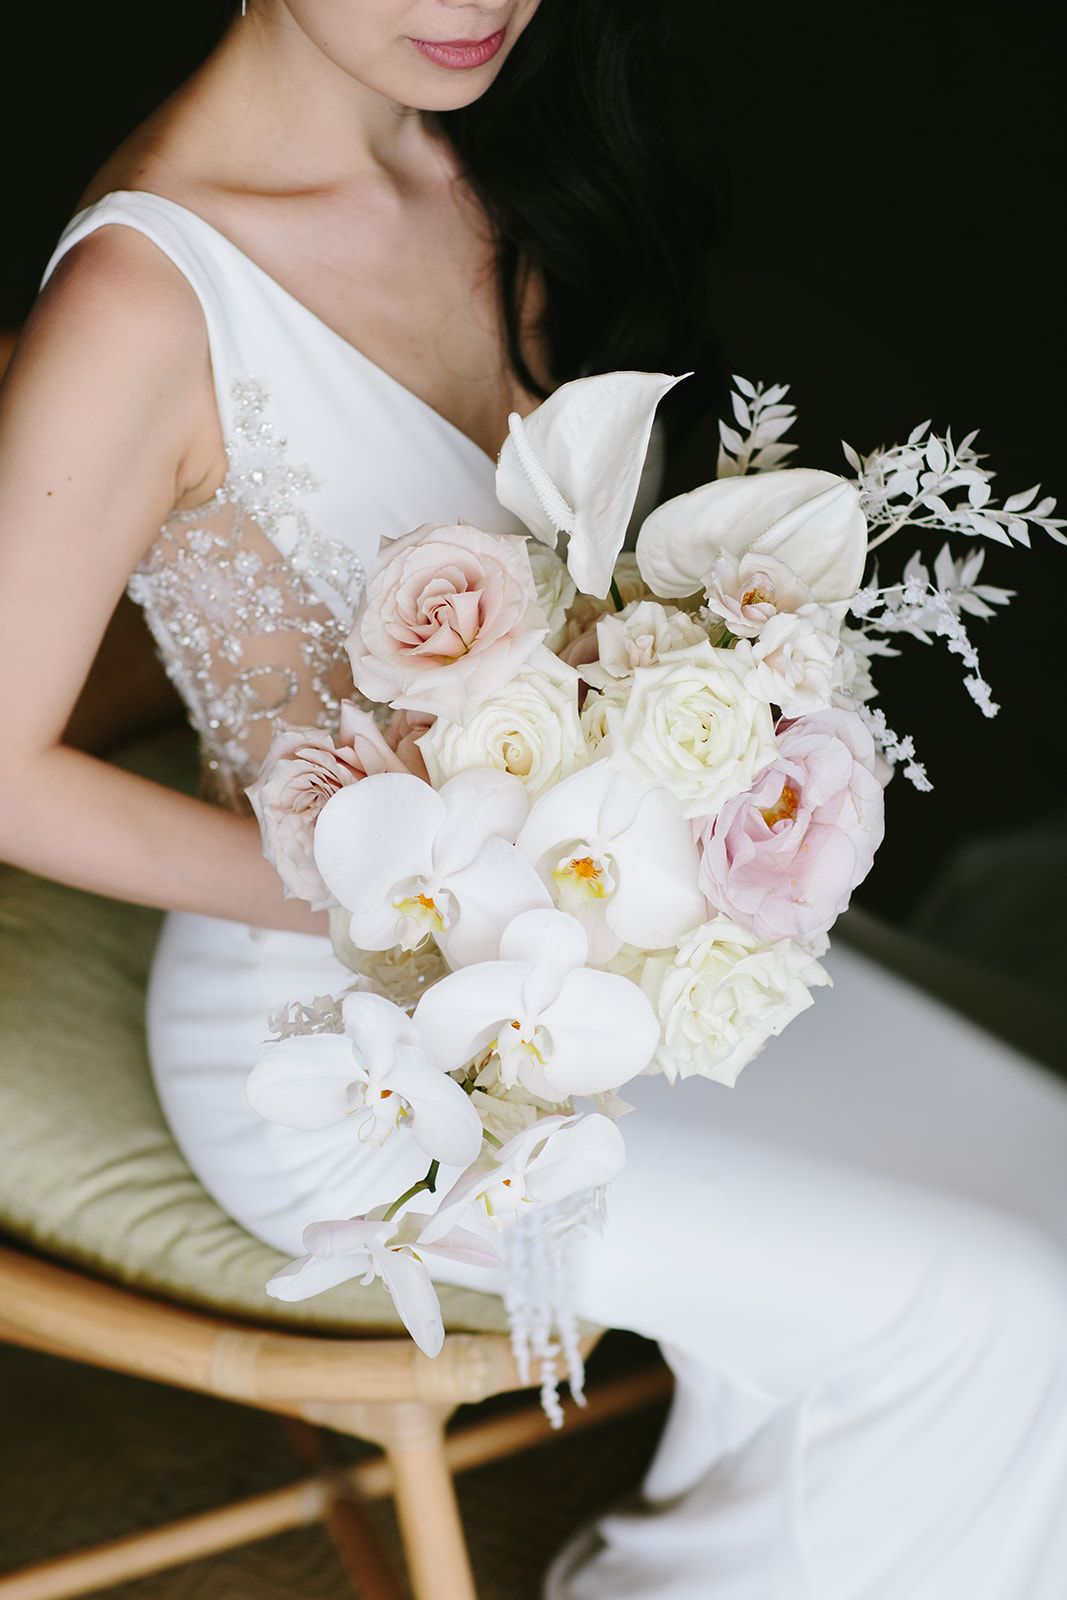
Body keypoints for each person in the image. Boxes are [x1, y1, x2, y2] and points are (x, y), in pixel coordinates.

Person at [0, 4, 1064, 1595]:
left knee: (1042, 1157)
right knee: (1004, 1298)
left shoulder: (485, 178)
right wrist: (377, 884)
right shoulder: (144, 298)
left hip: (586, 936)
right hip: (348, 1044)